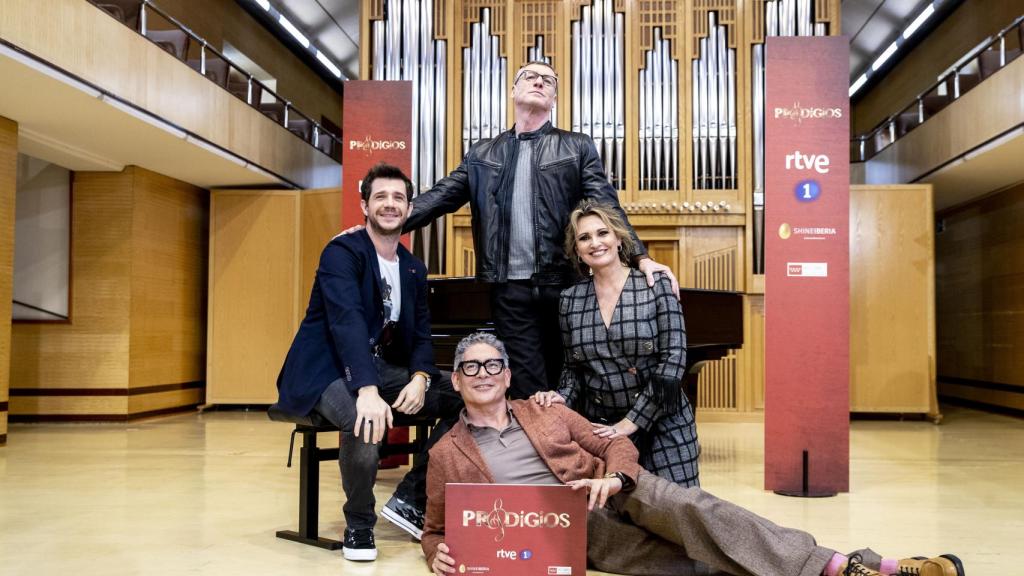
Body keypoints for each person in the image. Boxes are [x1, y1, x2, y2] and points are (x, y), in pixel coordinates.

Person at [422, 332, 965, 576]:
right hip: (570, 530)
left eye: (493, 365)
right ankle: (868, 568)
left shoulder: (548, 410)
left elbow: (614, 442)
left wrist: (615, 480)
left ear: (508, 373)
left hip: (617, 494)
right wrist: (435, 554)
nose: (484, 375)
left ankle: (843, 571)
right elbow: (436, 528)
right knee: (698, 562)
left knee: (695, 511)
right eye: (471, 367)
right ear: (457, 378)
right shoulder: (447, 452)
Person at [401, 60, 679, 400]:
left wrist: (640, 256)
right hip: (509, 291)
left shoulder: (576, 146)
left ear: (554, 98)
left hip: (566, 285)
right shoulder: (482, 154)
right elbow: (438, 198)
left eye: (548, 80)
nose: (539, 82)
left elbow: (606, 206)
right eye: (530, 77)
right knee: (529, 390)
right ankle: (542, 452)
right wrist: (380, 225)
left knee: (574, 380)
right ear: (514, 90)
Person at [274, 163, 461, 561]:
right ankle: (359, 525)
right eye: (381, 197)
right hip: (323, 370)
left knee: (468, 397)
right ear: (364, 204)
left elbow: (422, 333)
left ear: (410, 208)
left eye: (398, 198)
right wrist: (369, 390)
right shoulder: (342, 252)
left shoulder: (412, 267)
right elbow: (347, 323)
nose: (390, 205)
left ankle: (410, 497)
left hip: (376, 368)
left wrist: (422, 377)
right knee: (366, 417)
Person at [533, 200, 700, 487]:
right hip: (604, 428)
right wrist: (562, 396)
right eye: (585, 238)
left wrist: (630, 422)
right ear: (577, 251)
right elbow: (574, 369)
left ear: (619, 239)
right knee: (619, 523)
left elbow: (673, 361)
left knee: (677, 515)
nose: (595, 243)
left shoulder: (655, 284)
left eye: (603, 233)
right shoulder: (570, 299)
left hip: (664, 423)